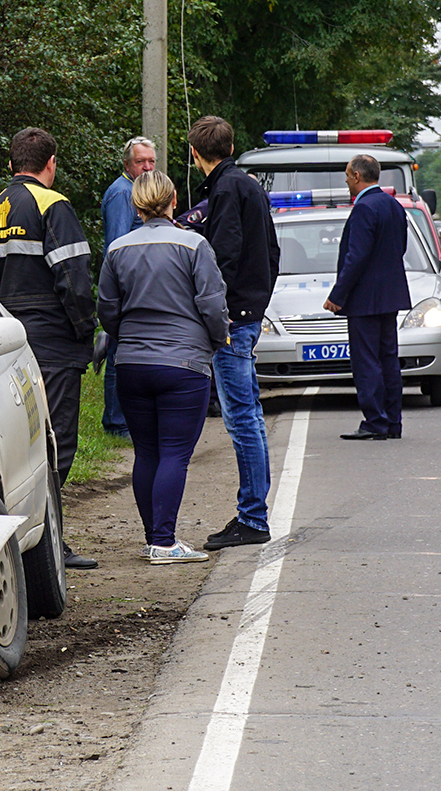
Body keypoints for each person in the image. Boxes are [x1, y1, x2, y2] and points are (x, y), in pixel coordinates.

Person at [0, 127, 101, 569]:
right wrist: (87, 331)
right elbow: (73, 277)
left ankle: (36, 539)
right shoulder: (54, 205)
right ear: (50, 164)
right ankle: (49, 545)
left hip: (7, 342)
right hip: (52, 338)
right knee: (56, 439)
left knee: (24, 440)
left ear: (12, 165)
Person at [97, 170, 232, 564]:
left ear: (136, 204)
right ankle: (164, 541)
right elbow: (211, 303)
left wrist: (128, 336)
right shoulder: (194, 244)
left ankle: (153, 536)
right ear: (174, 199)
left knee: (147, 452)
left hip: (133, 363)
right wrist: (215, 339)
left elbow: (107, 308)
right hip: (184, 362)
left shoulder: (118, 249)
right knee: (175, 453)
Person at [186, 116, 281, 551]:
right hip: (249, 311)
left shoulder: (223, 191)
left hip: (232, 319)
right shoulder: (249, 186)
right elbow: (272, 252)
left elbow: (222, 257)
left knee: (242, 418)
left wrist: (215, 314)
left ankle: (252, 517)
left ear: (194, 153)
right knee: (250, 417)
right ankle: (253, 511)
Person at [323, 154, 412, 439]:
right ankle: (392, 422)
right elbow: (400, 247)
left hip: (365, 299)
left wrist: (338, 294)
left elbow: (356, 257)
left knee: (367, 362)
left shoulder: (364, 208)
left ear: (358, 177)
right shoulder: (393, 205)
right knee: (388, 359)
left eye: (348, 176)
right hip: (390, 295)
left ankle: (375, 421)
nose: (347, 181)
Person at [99, 137, 159, 436]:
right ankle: (116, 423)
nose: (147, 167)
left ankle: (129, 420)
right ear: (127, 164)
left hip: (140, 289)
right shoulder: (122, 194)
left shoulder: (139, 191)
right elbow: (116, 247)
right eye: (140, 162)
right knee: (118, 355)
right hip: (125, 291)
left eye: (151, 161)